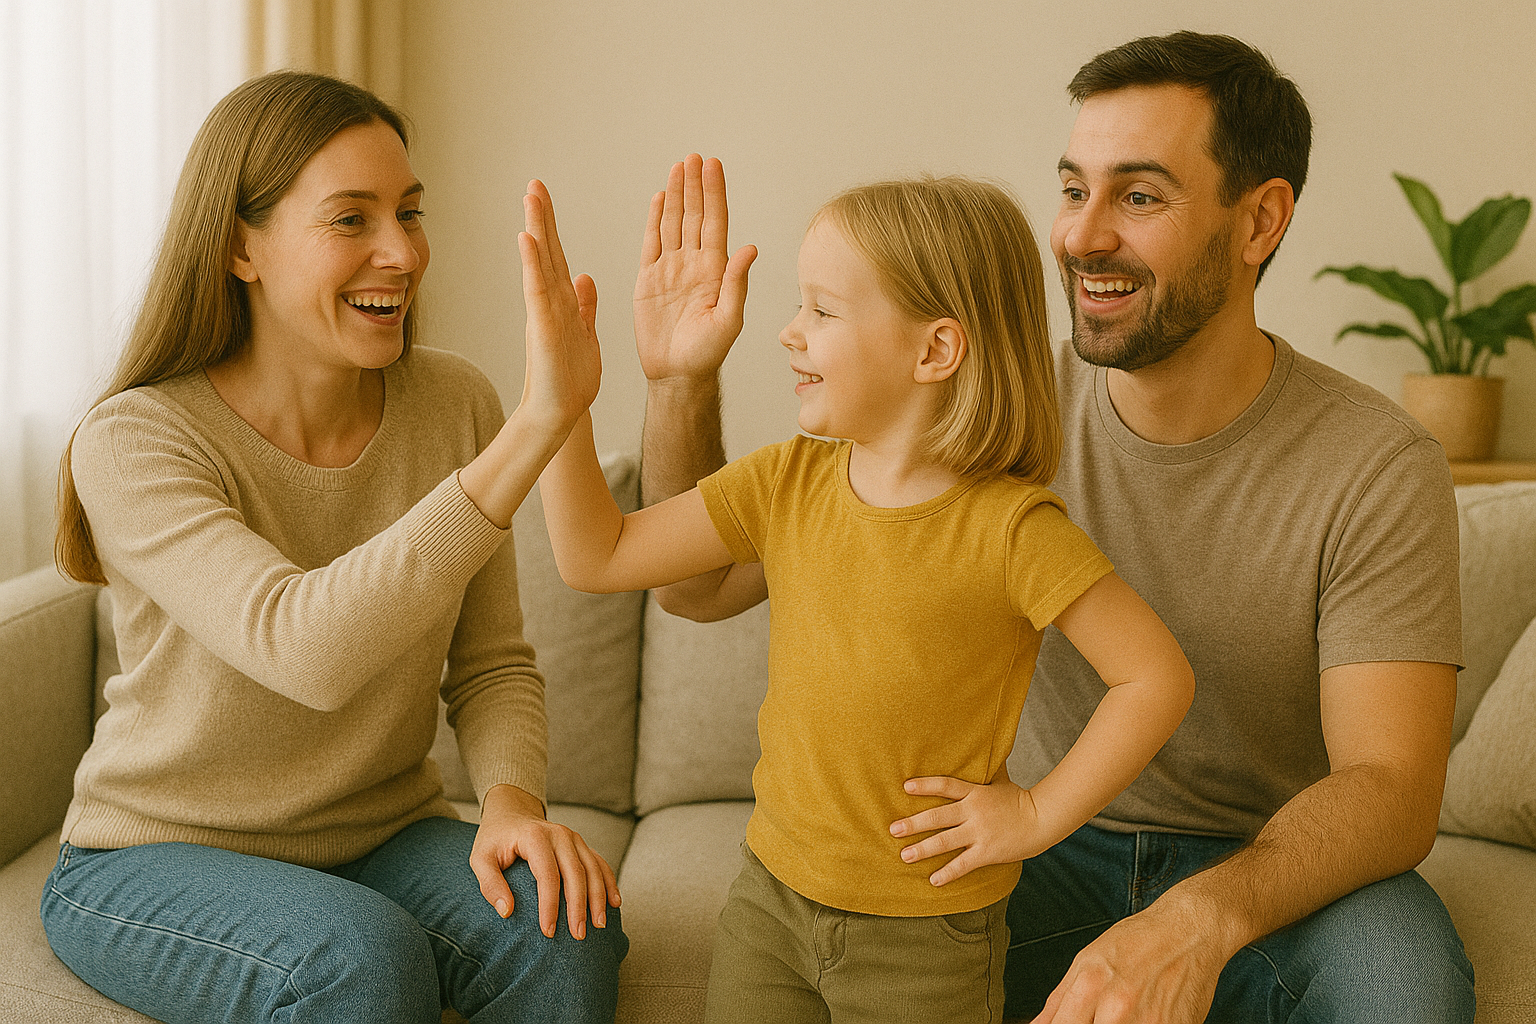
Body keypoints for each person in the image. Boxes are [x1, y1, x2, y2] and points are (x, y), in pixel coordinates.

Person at [636, 33, 1475, 1024]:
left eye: (1140, 195)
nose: (1080, 236)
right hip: (1023, 849)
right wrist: (679, 384)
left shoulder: (1376, 464)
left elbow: (1390, 783)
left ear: (1260, 221)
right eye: (1074, 189)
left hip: (1260, 860)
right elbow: (695, 588)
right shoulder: (987, 412)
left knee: (1404, 987)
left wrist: (1199, 918)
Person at [532, 165, 1195, 1023]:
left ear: (934, 350)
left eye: (821, 309)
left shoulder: (1012, 530)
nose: (788, 334)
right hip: (770, 905)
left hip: (924, 938)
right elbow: (598, 554)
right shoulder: (785, 482)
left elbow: (1156, 678)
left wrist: (1033, 814)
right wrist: (559, 405)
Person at [44, 70, 624, 1024]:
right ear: (241, 245)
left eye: (409, 212)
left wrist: (514, 807)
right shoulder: (136, 437)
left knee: (562, 925)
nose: (401, 252)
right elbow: (300, 648)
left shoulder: (454, 403)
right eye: (350, 219)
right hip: (152, 856)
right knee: (354, 956)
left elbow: (492, 665)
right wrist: (539, 426)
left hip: (381, 831)